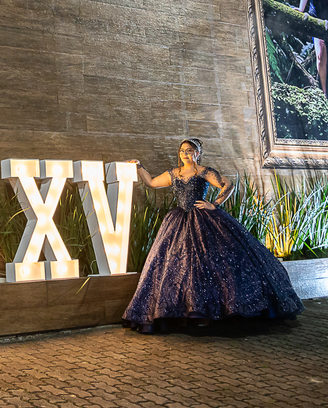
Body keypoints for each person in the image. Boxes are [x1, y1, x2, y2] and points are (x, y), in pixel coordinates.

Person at [123, 138, 303, 332]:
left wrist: (214, 204)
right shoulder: (174, 173)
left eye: (189, 151)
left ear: (197, 153)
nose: (185, 154)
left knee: (209, 263)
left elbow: (228, 184)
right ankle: (181, 312)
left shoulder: (203, 172)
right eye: (182, 151)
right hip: (178, 221)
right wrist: (139, 166)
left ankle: (210, 311)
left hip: (202, 220)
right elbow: (151, 182)